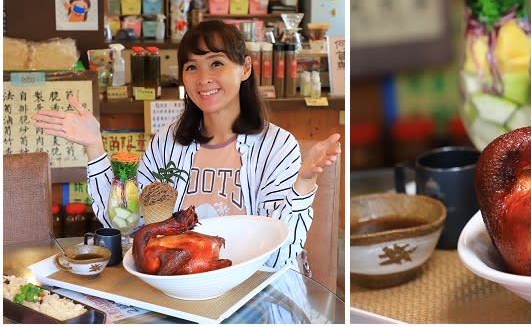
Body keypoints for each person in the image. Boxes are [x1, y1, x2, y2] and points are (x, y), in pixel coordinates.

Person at [32, 20, 341, 270]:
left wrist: (304, 183)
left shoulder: (276, 145)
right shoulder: (168, 142)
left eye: (216, 63)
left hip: (252, 293)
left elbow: (276, 257)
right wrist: (94, 147)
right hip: (176, 290)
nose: (203, 78)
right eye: (191, 67)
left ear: (245, 68)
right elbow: (125, 222)